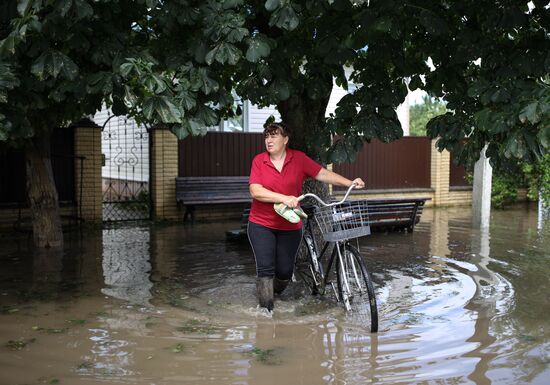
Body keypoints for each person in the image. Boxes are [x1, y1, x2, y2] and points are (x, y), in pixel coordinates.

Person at [248, 122, 365, 311]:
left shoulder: (299, 159)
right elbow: (255, 191)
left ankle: (272, 294)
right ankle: (266, 313)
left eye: (274, 136)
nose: (269, 140)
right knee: (265, 269)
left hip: (290, 226)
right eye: (267, 136)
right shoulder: (259, 161)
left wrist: (350, 182)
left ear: (285, 139)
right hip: (262, 224)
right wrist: (284, 198)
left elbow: (323, 174)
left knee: (285, 272)